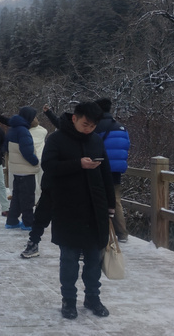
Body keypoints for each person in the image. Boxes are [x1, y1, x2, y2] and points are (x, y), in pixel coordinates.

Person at [41, 101, 115, 319]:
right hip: (68, 208)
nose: (89, 129)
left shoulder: (96, 140)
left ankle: (93, 297)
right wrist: (77, 164)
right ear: (74, 118)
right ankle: (69, 300)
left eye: (93, 126)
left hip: (95, 208)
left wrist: (110, 204)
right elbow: (48, 166)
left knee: (94, 259)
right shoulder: (56, 139)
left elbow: (106, 173)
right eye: (85, 124)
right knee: (69, 259)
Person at [0, 107, 47, 230]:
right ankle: (28, 222)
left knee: (17, 197)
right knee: (28, 197)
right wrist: (35, 162)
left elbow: (6, 148)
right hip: (25, 170)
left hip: (16, 169)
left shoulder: (13, 129)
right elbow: (27, 151)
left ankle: (12, 221)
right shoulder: (23, 131)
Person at [94, 98, 131, 243]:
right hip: (116, 170)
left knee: (96, 199)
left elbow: (92, 144)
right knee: (115, 201)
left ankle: (101, 233)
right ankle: (122, 234)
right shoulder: (121, 127)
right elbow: (127, 145)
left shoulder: (96, 126)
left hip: (100, 167)